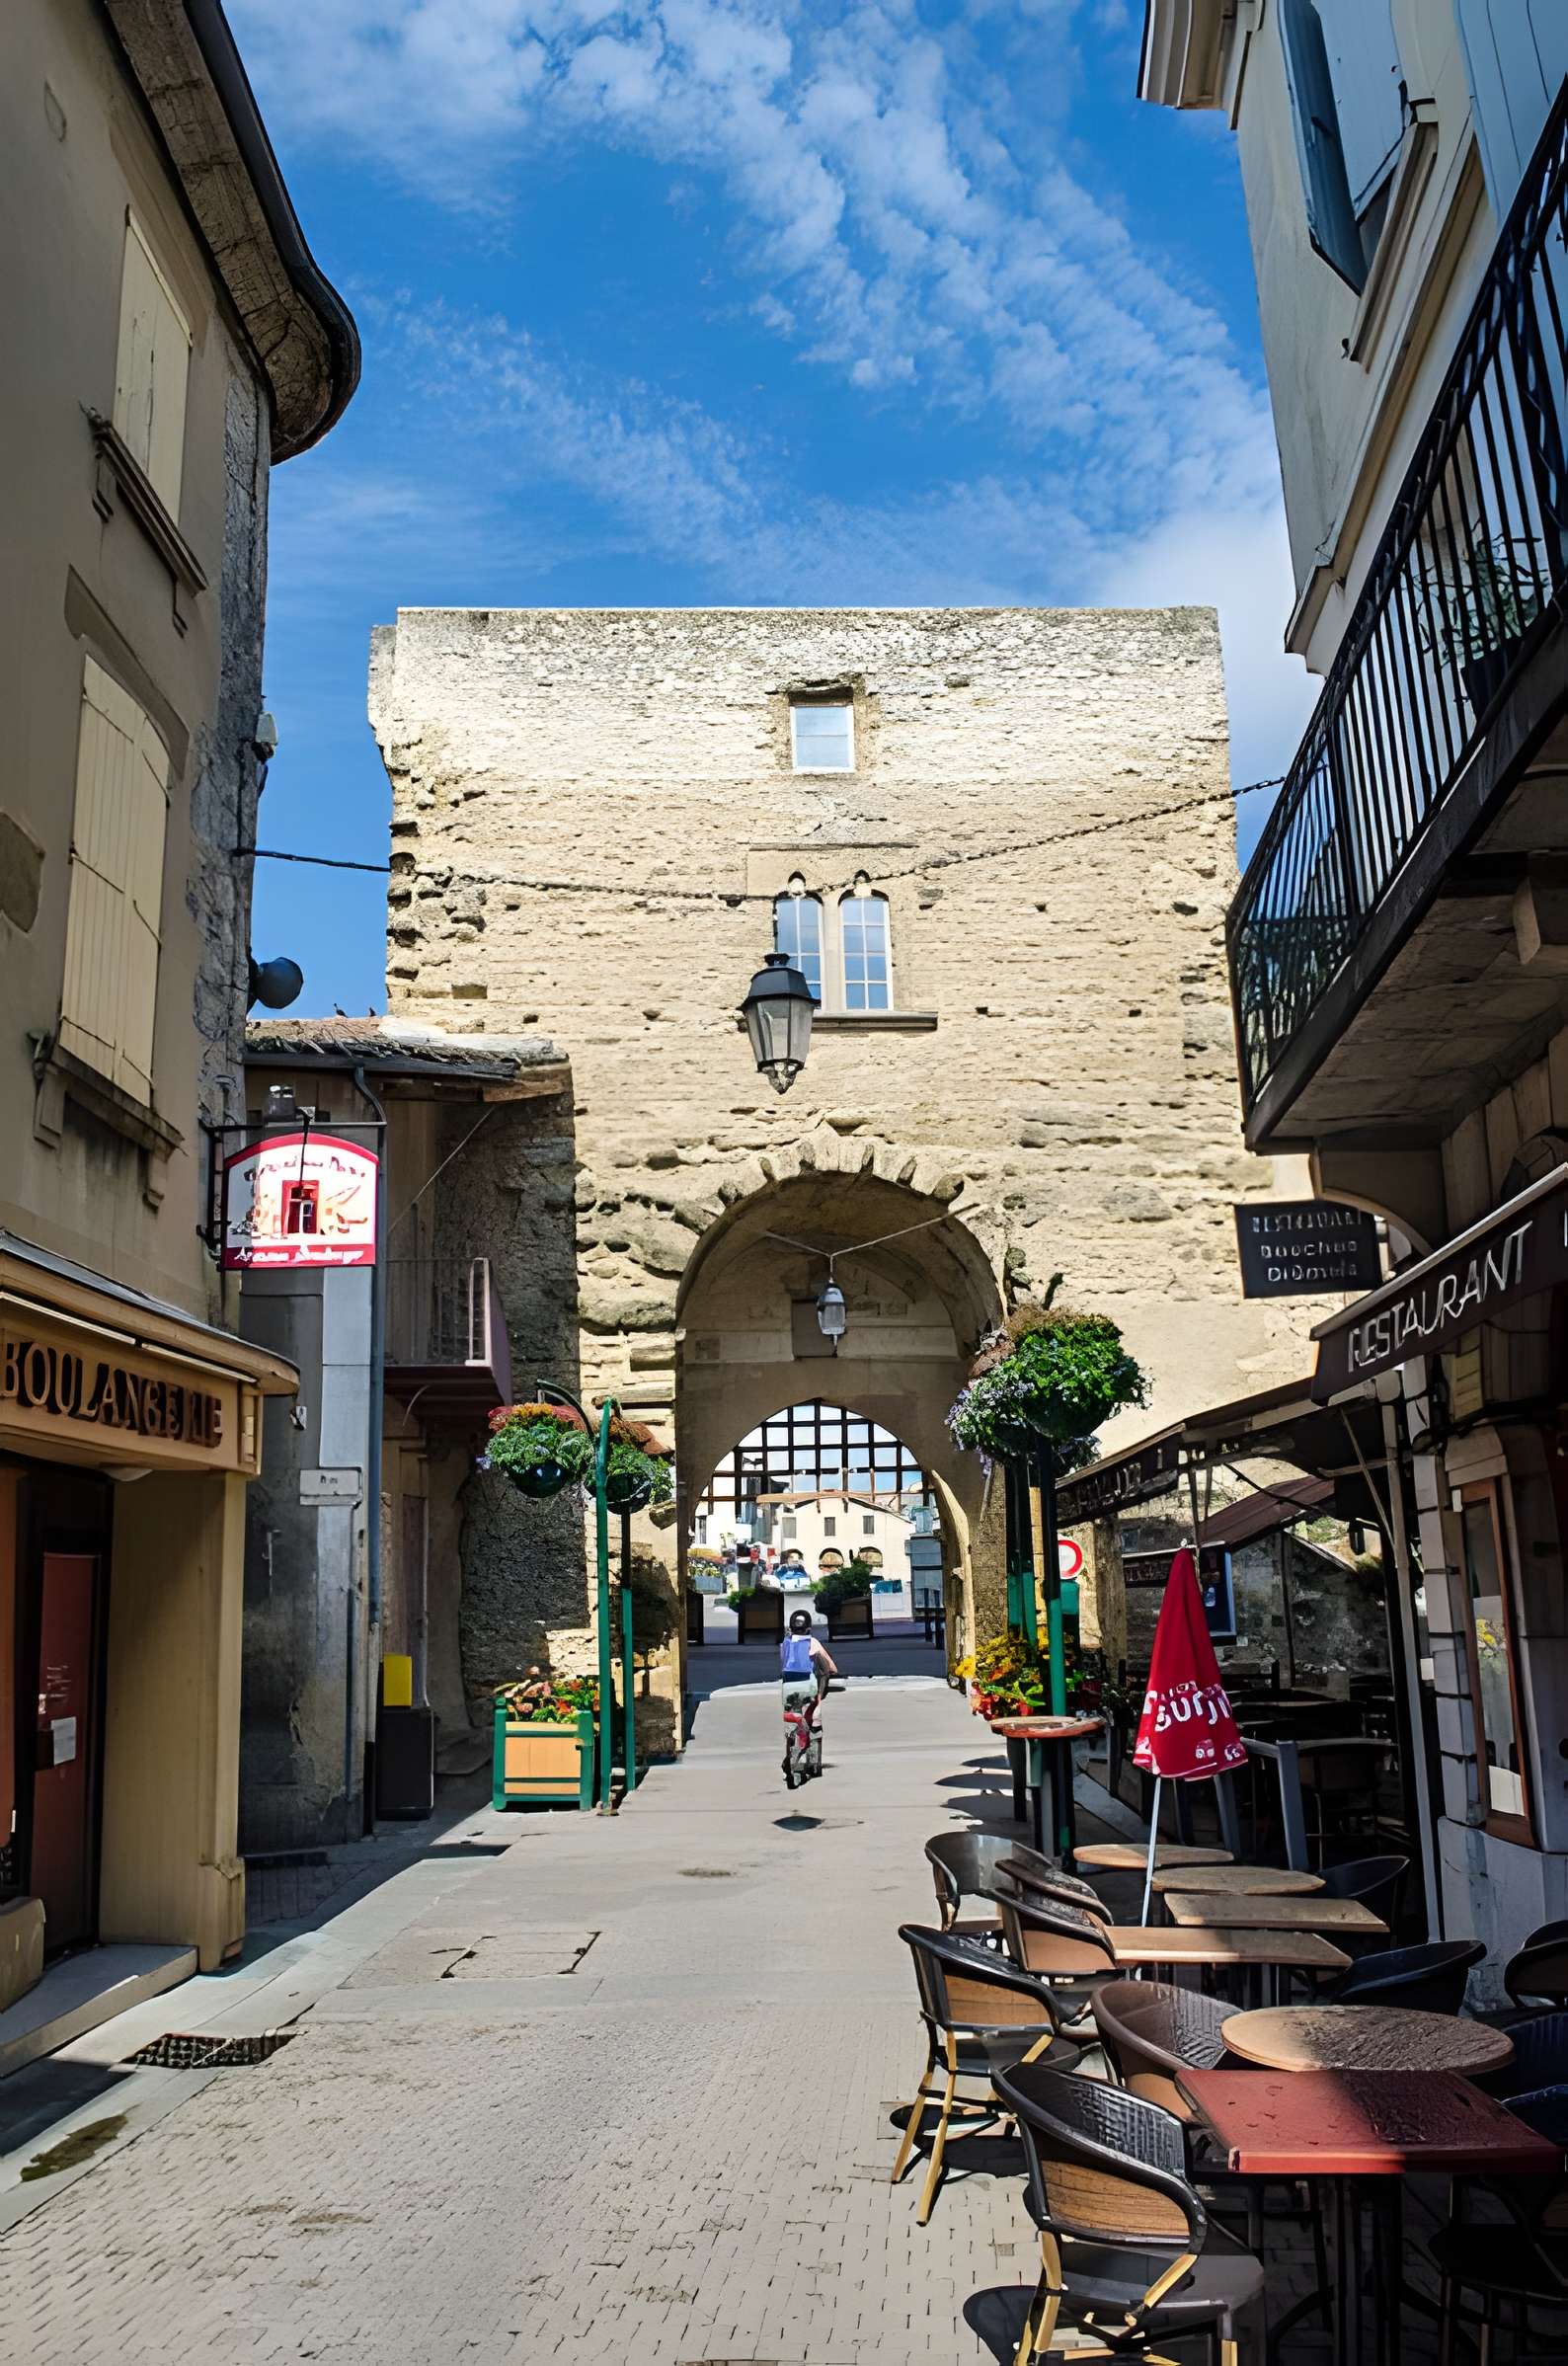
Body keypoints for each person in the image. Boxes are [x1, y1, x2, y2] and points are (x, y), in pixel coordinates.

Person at [780, 1608, 836, 1777]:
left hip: (789, 1689)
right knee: (814, 1720)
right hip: (809, 1689)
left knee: (792, 1720)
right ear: (809, 1628)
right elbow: (830, 1667)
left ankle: (791, 1752)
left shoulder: (785, 1644)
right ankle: (813, 1763)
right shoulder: (813, 1643)